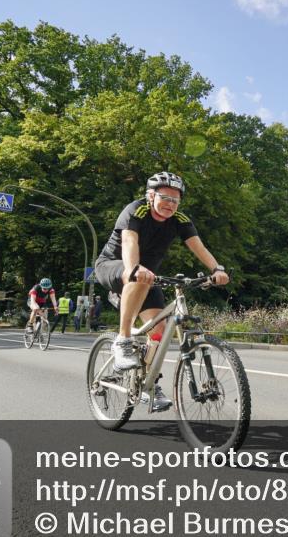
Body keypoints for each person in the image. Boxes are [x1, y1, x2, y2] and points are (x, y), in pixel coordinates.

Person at [94, 172, 229, 412]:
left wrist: (216, 268)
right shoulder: (136, 210)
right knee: (138, 275)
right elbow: (129, 243)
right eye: (165, 198)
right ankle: (123, 340)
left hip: (149, 279)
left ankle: (149, 384)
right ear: (150, 195)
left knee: (159, 330)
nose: (170, 205)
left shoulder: (180, 219)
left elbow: (198, 246)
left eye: (175, 201)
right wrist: (134, 268)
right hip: (114, 267)